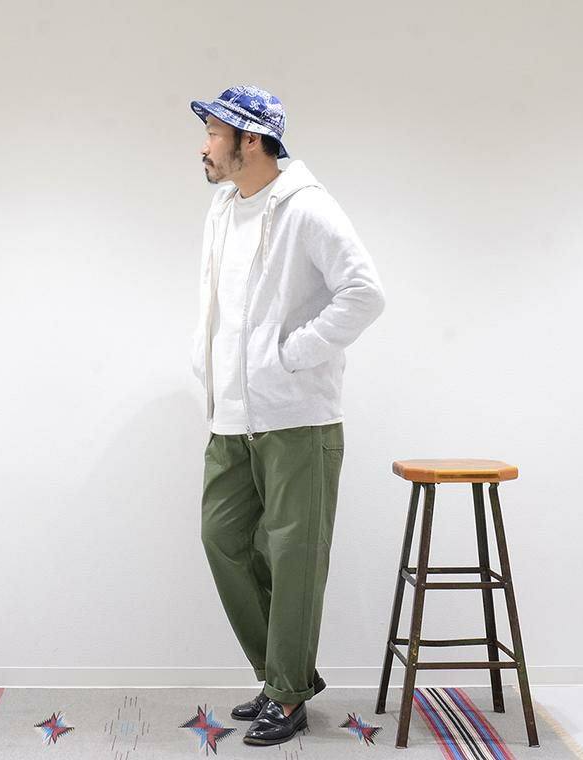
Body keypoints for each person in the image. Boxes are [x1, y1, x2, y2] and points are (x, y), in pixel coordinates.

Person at [189, 84, 386, 746]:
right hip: (230, 416)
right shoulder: (223, 208)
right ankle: (282, 676)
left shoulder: (308, 208)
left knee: (294, 557)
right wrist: (207, 368)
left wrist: (290, 356)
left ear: (250, 140)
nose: (203, 147)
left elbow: (364, 292)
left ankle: (287, 692)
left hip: (298, 418)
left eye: (213, 134)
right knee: (222, 539)